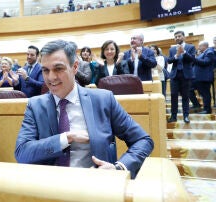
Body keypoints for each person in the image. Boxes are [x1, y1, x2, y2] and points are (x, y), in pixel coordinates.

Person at [15, 40, 154, 179]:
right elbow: (22, 153)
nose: (51, 77)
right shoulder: (35, 105)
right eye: (45, 70)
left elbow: (142, 140)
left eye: (58, 68)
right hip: (49, 189)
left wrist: (119, 168)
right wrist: (66, 138)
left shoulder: (103, 100)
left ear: (75, 67)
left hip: (94, 187)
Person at [167, 31, 196, 123]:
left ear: (184, 37)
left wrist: (183, 52)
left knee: (185, 96)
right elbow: (169, 61)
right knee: (173, 96)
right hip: (175, 75)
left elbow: (192, 59)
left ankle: (186, 116)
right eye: (175, 37)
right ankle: (173, 116)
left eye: (179, 36)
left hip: (186, 75)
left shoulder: (190, 47)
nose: (177, 38)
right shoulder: (172, 49)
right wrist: (177, 55)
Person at [191, 41, 214, 114]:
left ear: (204, 46)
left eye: (199, 46)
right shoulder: (203, 53)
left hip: (204, 77)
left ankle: (207, 110)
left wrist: (194, 59)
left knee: (205, 94)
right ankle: (196, 105)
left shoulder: (209, 52)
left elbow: (206, 62)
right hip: (198, 78)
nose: (198, 48)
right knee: (189, 89)